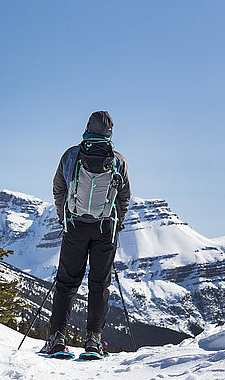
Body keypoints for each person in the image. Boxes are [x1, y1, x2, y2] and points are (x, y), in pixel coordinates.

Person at [39, 111, 131, 358]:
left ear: (88, 128)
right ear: (110, 133)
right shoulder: (118, 160)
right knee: (99, 284)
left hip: (75, 227)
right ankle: (93, 341)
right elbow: (124, 196)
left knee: (67, 283)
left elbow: (59, 188)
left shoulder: (71, 155)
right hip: (105, 229)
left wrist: (64, 217)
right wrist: (117, 224)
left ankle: (57, 339)